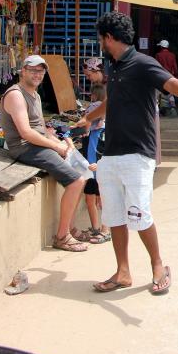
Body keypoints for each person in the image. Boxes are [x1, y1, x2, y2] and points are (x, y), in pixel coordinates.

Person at [76, 13, 178, 295]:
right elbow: (112, 101)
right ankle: (123, 272)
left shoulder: (143, 63)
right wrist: (89, 117)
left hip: (138, 154)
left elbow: (170, 83)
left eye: (101, 39)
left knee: (139, 214)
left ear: (109, 38)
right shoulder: (114, 67)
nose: (101, 44)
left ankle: (158, 265)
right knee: (114, 217)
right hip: (111, 154)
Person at [0, 55, 89, 252]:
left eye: (41, 71)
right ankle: (62, 237)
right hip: (25, 147)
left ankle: (70, 227)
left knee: (81, 172)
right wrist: (56, 147)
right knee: (77, 181)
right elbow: (26, 133)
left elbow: (42, 129)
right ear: (23, 71)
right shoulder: (16, 95)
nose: (37, 74)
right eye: (33, 70)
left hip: (37, 145)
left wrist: (62, 143)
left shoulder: (35, 95)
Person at [73, 83, 111, 244]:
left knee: (98, 198)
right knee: (92, 198)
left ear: (94, 95)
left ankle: (105, 230)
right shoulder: (102, 129)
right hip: (92, 165)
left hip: (95, 165)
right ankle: (97, 229)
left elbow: (86, 122)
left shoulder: (96, 107)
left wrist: (80, 127)